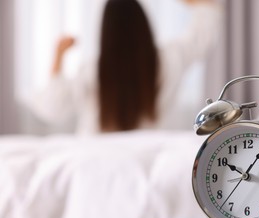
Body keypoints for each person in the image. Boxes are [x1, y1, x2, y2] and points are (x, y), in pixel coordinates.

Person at [23, 0, 221, 134]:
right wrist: (200, 4)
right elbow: (202, 36)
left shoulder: (93, 71)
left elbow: (52, 106)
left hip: (94, 162)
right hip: (144, 161)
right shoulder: (166, 60)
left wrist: (58, 54)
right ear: (144, 26)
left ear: (105, 32)